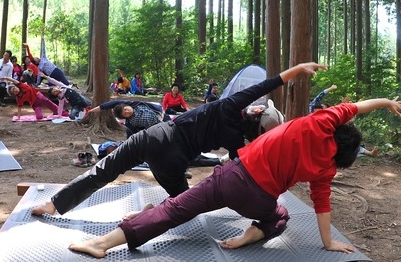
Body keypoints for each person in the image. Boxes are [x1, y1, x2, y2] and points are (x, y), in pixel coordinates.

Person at [68, 97, 401, 258]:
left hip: (231, 177)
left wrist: (385, 103)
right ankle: (252, 234)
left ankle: (102, 244)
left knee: (176, 210)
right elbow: (323, 205)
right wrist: (328, 243)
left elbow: (356, 107)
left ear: (335, 127)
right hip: (259, 200)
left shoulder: (319, 122)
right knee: (281, 215)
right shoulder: (328, 169)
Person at [30, 62, 324, 219]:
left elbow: (267, 83)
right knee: (182, 206)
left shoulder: (229, 105)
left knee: (104, 169)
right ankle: (147, 215)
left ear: (255, 111)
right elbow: (242, 171)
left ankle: (54, 204)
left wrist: (297, 70)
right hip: (173, 161)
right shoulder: (240, 142)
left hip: (154, 137)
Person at [311, 86, 379, 158]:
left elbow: (341, 114)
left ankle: (369, 153)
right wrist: (330, 89)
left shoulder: (330, 117)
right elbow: (318, 98)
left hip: (330, 140)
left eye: (324, 107)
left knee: (347, 140)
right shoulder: (311, 114)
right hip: (315, 140)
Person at [87, 99, 168, 138]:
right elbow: (131, 137)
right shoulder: (131, 123)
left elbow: (114, 102)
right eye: (125, 114)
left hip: (162, 117)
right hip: (156, 130)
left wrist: (99, 107)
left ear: (127, 106)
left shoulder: (135, 104)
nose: (127, 112)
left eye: (126, 109)